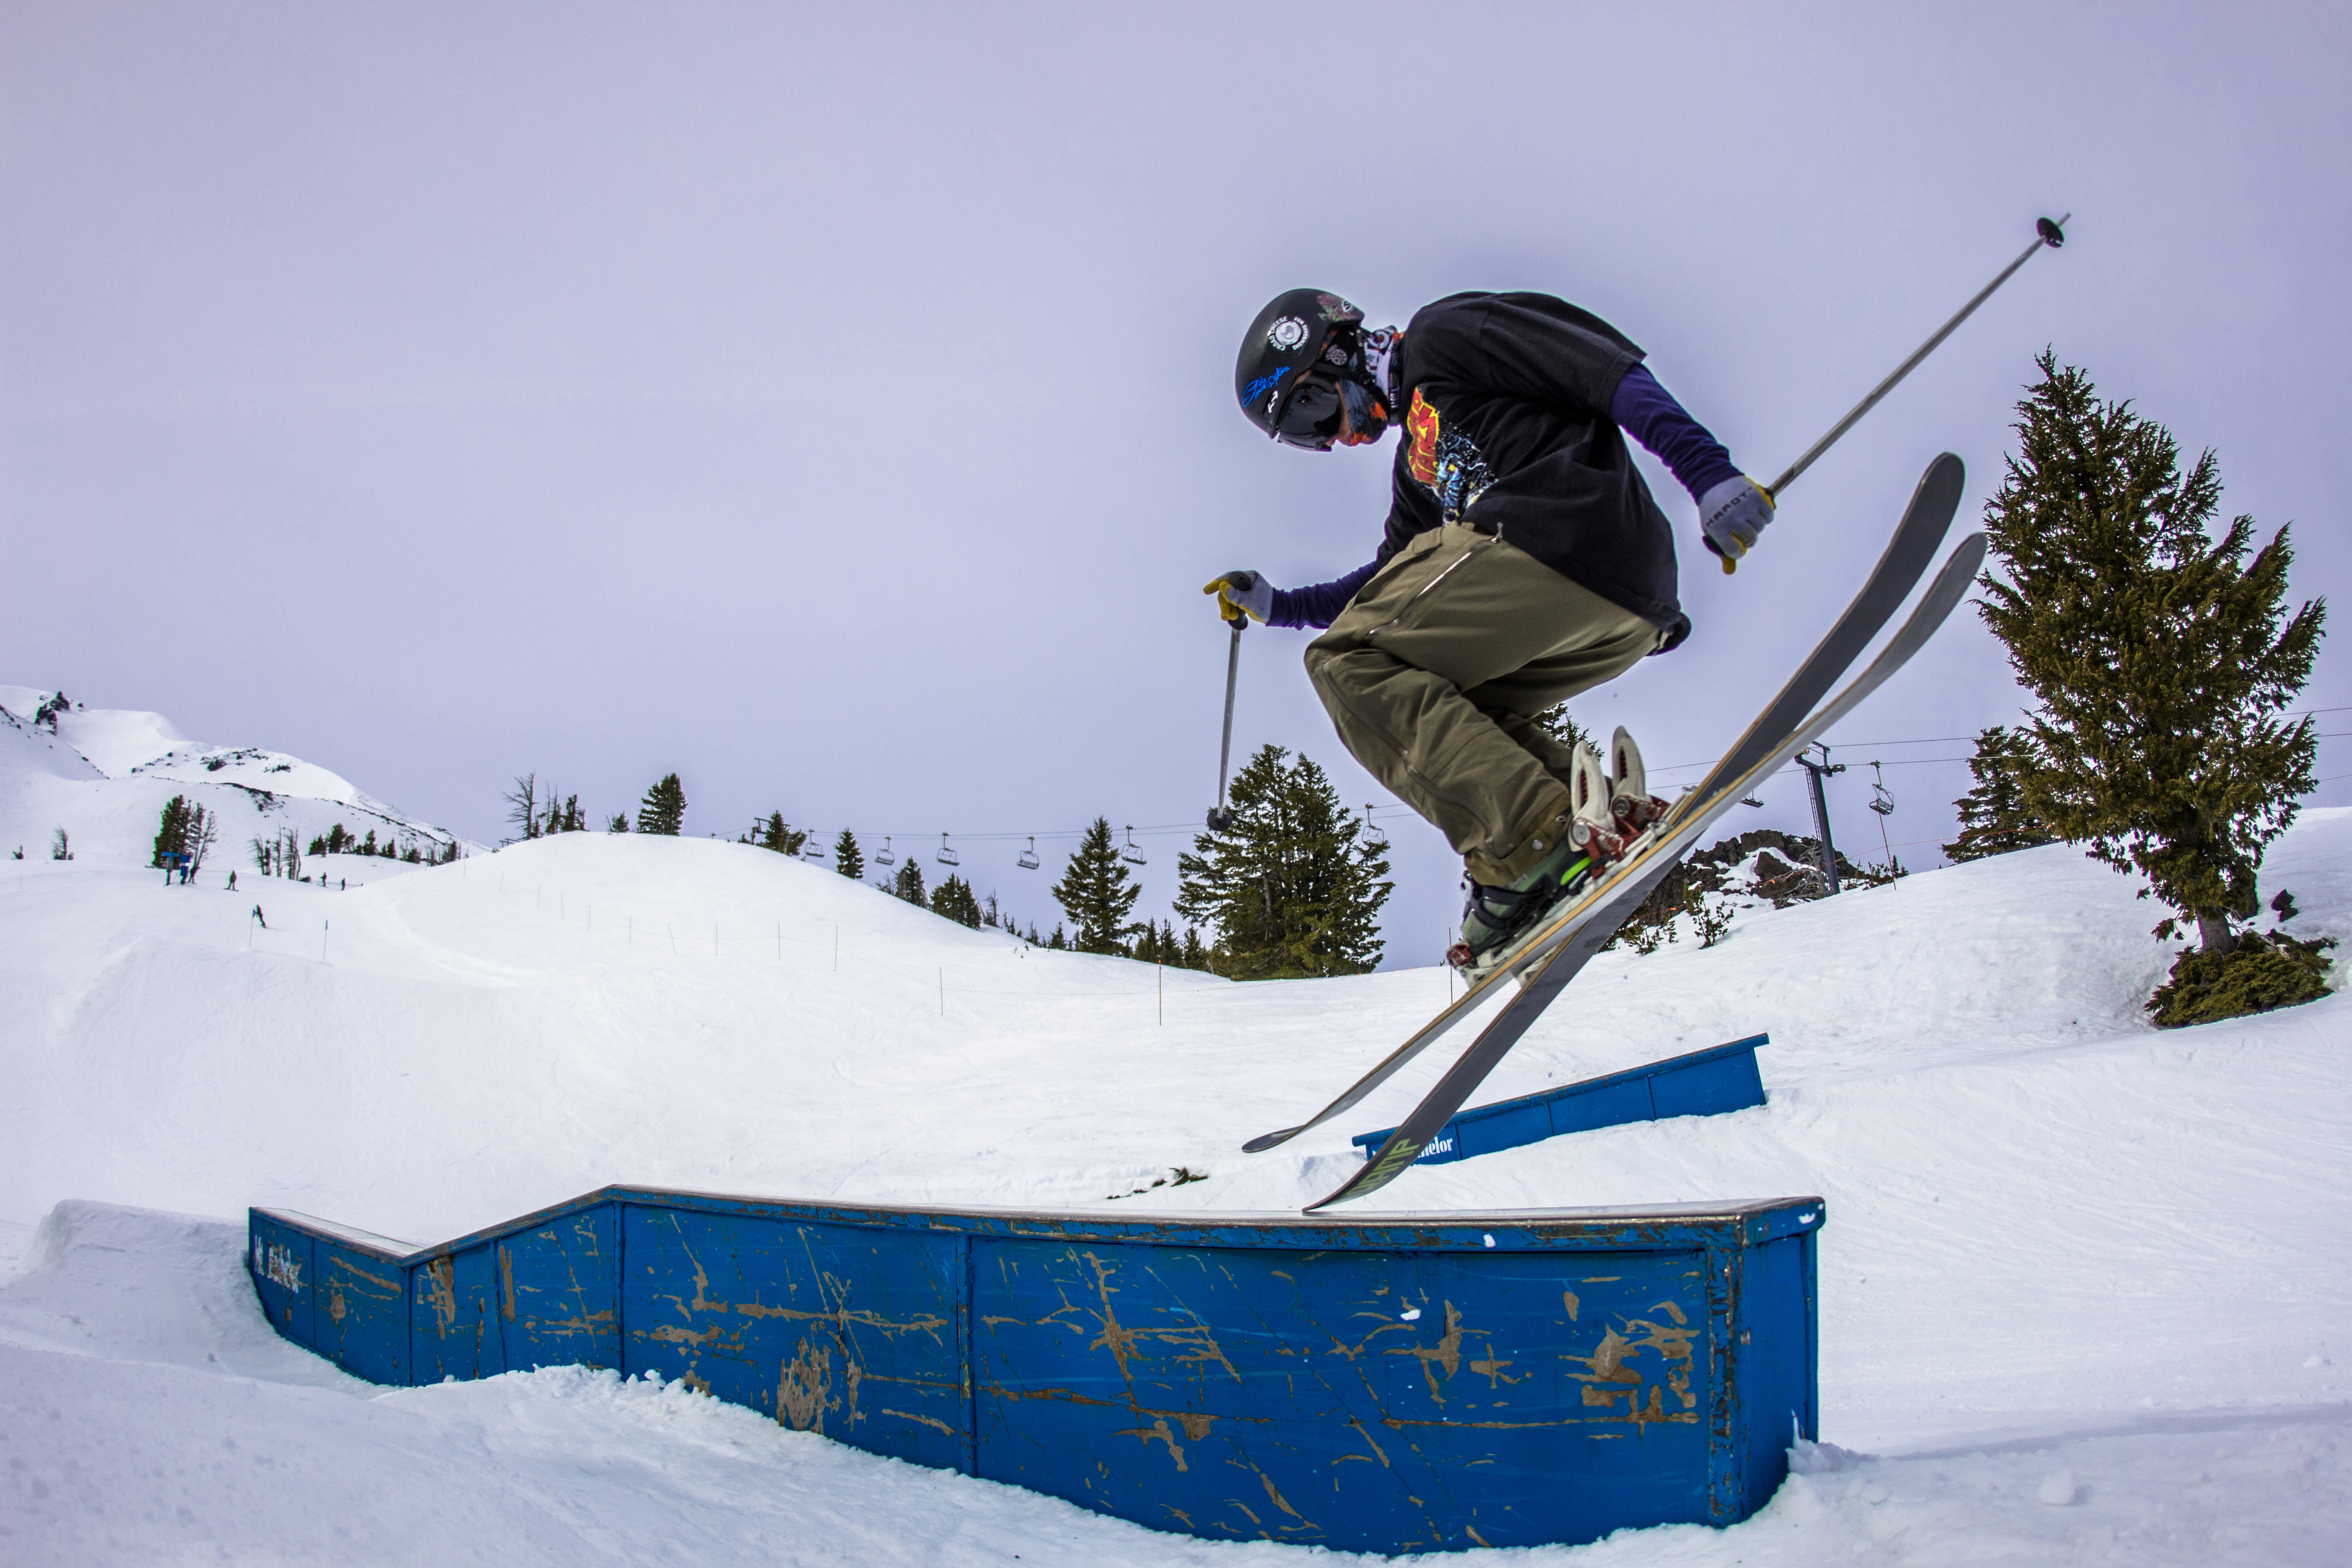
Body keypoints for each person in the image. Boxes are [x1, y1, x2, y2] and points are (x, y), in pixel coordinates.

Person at [1210, 288, 1773, 970]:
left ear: (1338, 350)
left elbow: (1603, 371)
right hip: (1622, 606)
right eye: (1310, 441)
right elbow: (1391, 580)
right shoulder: (1418, 461)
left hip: (1558, 535)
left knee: (1346, 664)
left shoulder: (1445, 336)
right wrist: (1282, 605)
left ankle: (1531, 845)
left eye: (1317, 411)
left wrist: (1706, 471)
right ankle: (1586, 815)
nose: (1337, 439)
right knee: (1438, 699)